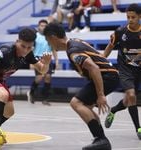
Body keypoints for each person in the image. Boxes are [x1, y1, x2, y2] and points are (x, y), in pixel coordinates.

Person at [0, 27, 52, 143]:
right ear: (17, 41)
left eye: (29, 47)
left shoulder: (28, 54)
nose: (25, 50)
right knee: (2, 94)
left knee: (9, 112)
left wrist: (46, 63)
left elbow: (42, 70)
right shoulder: (6, 51)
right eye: (23, 46)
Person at [44, 22, 119, 150]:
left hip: (107, 77)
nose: (49, 44)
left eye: (48, 40)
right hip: (110, 75)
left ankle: (101, 139)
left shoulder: (73, 51)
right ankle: (100, 139)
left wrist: (101, 95)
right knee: (86, 107)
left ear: (53, 37)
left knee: (76, 103)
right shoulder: (75, 42)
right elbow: (99, 58)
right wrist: (107, 54)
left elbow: (94, 67)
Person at [103, 3, 141, 139]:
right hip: (126, 69)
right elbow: (107, 50)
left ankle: (113, 110)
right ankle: (139, 128)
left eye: (133, 17)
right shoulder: (120, 32)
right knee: (131, 95)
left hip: (139, 70)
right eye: (128, 17)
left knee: (128, 100)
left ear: (140, 17)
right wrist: (98, 62)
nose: (130, 20)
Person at [27, 19, 59, 106]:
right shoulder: (35, 36)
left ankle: (45, 98)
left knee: (48, 77)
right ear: (38, 26)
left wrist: (56, 60)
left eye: (45, 26)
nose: (43, 27)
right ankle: (32, 92)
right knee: (39, 77)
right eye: (41, 25)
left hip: (48, 58)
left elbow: (53, 49)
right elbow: (30, 49)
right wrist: (30, 62)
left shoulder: (50, 36)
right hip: (37, 58)